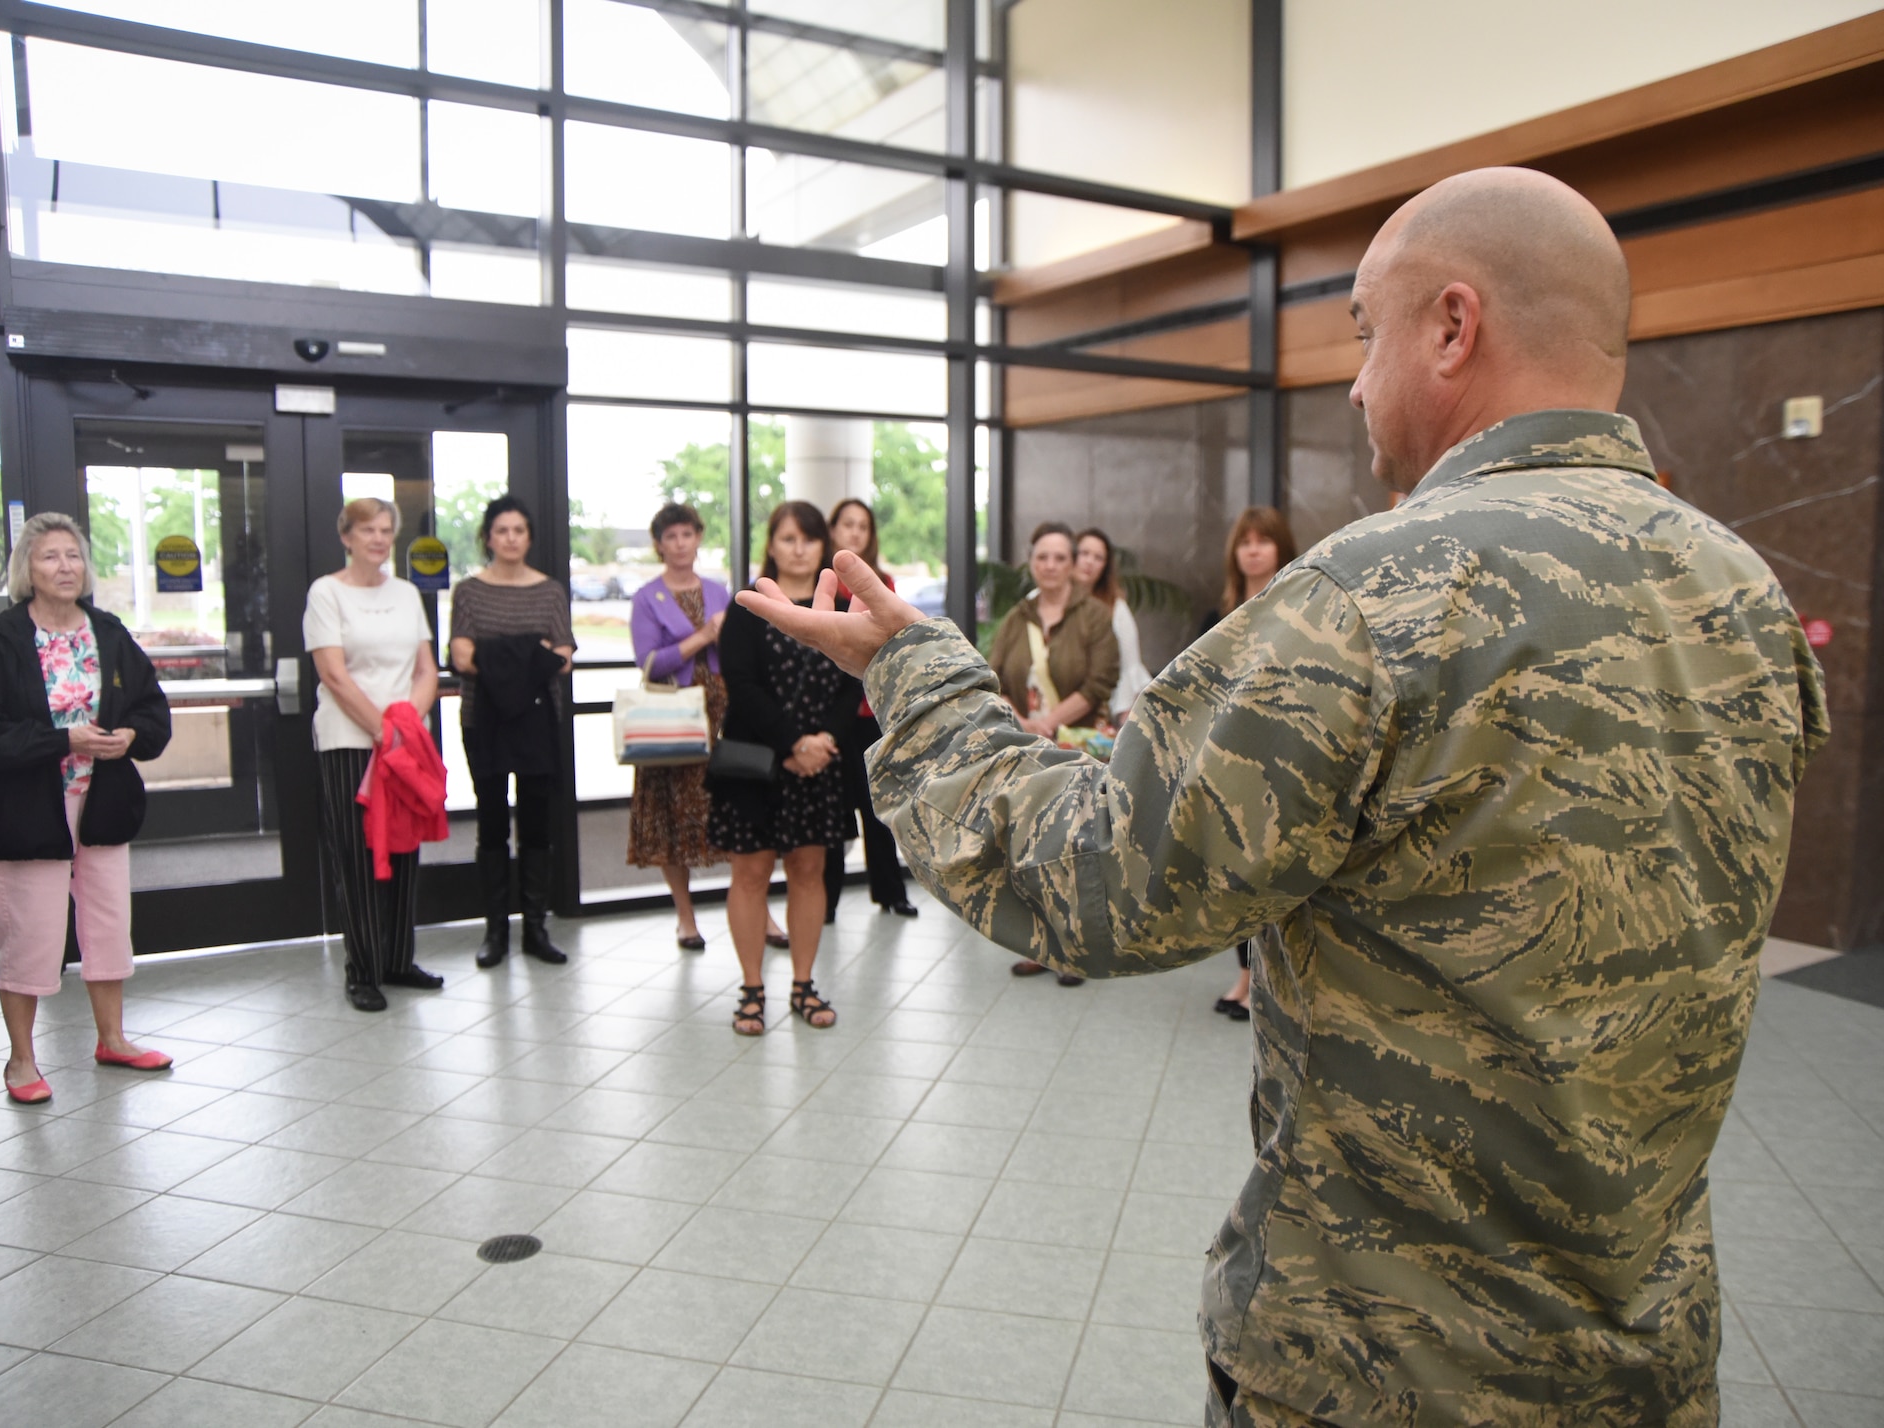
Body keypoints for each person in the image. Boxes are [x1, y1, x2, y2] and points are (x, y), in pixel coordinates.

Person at [739, 167, 1826, 1427]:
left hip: (1381, 1367)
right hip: (1640, 1357)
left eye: (1365, 335)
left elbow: (1087, 881)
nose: (1356, 383)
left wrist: (914, 669)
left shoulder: (1378, 593)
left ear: (1453, 327)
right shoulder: (1740, 591)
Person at [0, 513, 175, 1103]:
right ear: (27, 568)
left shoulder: (108, 632)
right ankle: (21, 1062)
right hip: (29, 812)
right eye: (50, 556)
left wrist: (128, 738)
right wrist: (63, 741)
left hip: (100, 805)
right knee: (30, 932)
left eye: (73, 556)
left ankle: (113, 1039)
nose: (65, 567)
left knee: (107, 926)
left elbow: (152, 709)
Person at [708, 501, 856, 1035]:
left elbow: (852, 681)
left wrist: (823, 742)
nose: (798, 548)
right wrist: (794, 741)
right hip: (759, 763)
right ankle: (751, 987)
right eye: (788, 538)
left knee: (809, 871)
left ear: (822, 546)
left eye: (809, 539)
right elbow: (740, 687)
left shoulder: (839, 607)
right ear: (771, 544)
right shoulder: (748, 606)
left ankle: (803, 983)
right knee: (750, 873)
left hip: (820, 764)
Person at [305, 497, 444, 1012]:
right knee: (358, 857)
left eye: (387, 530)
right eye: (368, 530)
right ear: (347, 537)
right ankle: (362, 970)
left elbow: (427, 669)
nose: (379, 539)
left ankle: (398, 960)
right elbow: (334, 676)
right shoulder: (326, 593)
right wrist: (385, 732)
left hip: (406, 742)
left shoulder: (408, 593)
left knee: (404, 849)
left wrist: (406, 725)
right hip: (350, 740)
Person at [984, 521, 1117, 984]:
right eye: (1042, 557)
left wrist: (1051, 720)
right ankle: (1041, 944)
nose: (1051, 566)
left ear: (1073, 563)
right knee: (1032, 844)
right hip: (1029, 749)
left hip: (1077, 749)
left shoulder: (1095, 616)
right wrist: (1023, 722)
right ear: (1031, 562)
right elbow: (994, 676)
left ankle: (1078, 948)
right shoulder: (1018, 616)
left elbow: (1101, 680)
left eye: (1060, 557)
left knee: (1078, 847)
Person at [449, 495, 573, 969]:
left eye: (519, 530)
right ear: (488, 537)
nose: (511, 538)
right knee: (492, 824)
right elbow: (462, 657)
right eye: (502, 530)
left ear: (529, 537)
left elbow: (562, 659)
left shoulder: (549, 591)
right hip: (485, 721)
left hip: (539, 721)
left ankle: (536, 930)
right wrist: (531, 651)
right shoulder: (470, 591)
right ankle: (495, 933)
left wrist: (496, 652)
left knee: (538, 825)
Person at [627, 502, 731, 950]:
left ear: (698, 538)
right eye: (670, 537)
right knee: (674, 821)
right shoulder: (647, 597)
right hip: (674, 723)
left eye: (686, 534)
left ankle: (757, 910)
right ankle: (685, 918)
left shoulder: (719, 590)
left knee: (732, 816)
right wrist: (704, 636)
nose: (679, 543)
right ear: (658, 544)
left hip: (723, 717)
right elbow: (651, 663)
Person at [1207, 507, 1297, 1022]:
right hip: (1227, 756)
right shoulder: (1218, 612)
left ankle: (1259, 977)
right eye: (1246, 541)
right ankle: (1245, 972)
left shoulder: (1297, 606)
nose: (1254, 549)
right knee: (1233, 869)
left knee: (1270, 870)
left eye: (1265, 541)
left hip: (1278, 755)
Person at [822, 497, 917, 923]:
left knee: (878, 810)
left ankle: (890, 892)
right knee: (833, 815)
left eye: (863, 526)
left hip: (872, 715)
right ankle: (825, 902)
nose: (856, 533)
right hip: (829, 719)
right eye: (848, 525)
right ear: (833, 531)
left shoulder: (883, 583)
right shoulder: (823, 584)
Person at [1073, 528, 1152, 728]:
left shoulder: (1116, 608)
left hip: (1100, 712)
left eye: (1098, 557)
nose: (1089, 562)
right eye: (1084, 553)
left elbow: (1130, 667)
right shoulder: (1038, 600)